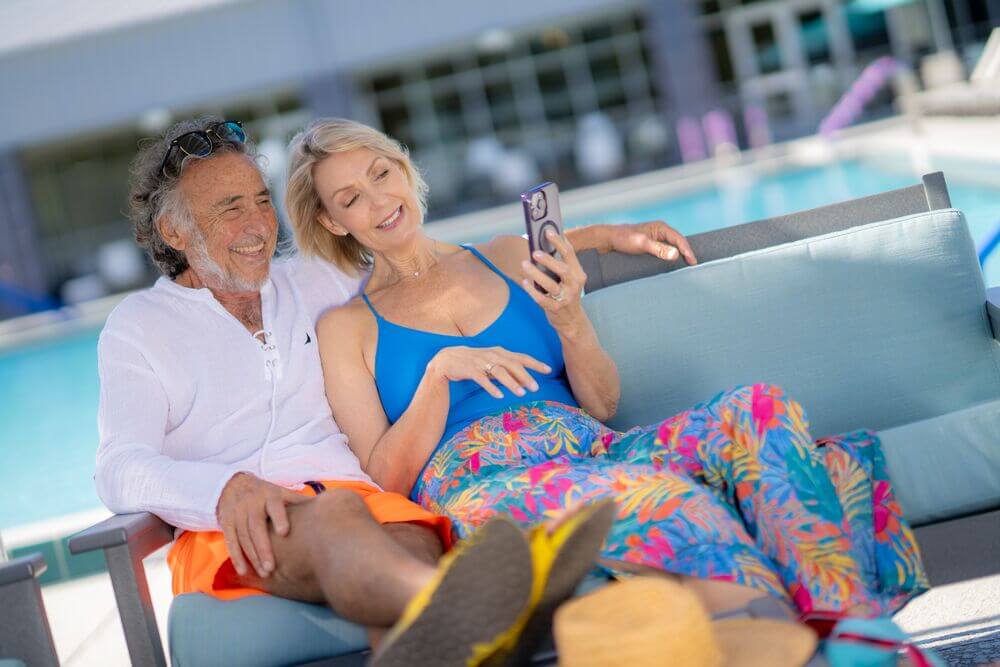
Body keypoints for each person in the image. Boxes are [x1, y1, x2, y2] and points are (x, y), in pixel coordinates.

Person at [286, 118, 929, 619]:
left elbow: (601, 404)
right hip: (486, 487)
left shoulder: (508, 256)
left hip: (594, 449)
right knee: (669, 501)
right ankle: (806, 636)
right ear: (330, 221)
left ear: (402, 166)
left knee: (758, 409)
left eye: (380, 173)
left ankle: (847, 627)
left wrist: (571, 316)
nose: (378, 200)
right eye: (350, 197)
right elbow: (386, 477)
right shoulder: (348, 328)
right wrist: (438, 376)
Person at [94, 117, 670, 665]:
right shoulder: (140, 327)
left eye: (261, 202)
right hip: (242, 529)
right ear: (174, 230)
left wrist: (607, 236)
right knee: (339, 515)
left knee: (402, 548)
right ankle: (465, 607)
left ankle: (444, 613)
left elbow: (435, 268)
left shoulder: (312, 281)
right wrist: (225, 490)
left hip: (379, 509)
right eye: (229, 209)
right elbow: (118, 467)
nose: (257, 226)